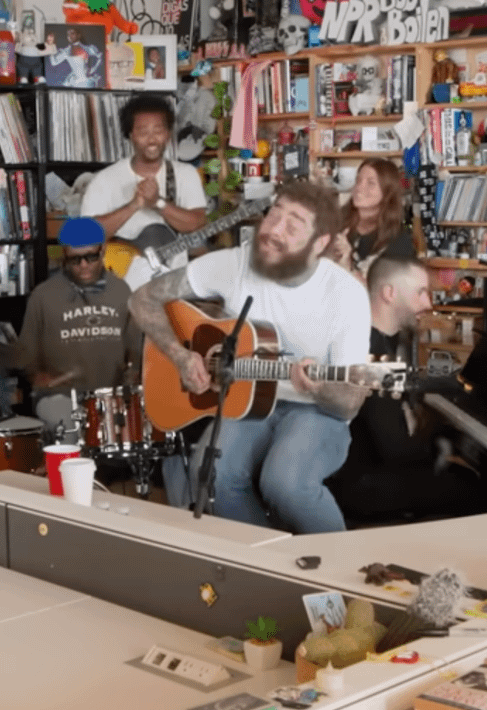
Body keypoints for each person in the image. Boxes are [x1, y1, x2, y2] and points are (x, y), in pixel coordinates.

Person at [130, 179, 371, 533]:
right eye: (274, 214)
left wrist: (317, 387)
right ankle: (268, 559)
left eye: (293, 225)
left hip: (315, 410)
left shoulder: (345, 295)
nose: (274, 230)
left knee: (286, 483)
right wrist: (180, 357)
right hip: (249, 400)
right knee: (209, 475)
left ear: (319, 244)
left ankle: (340, 573)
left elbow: (350, 403)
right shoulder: (233, 264)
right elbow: (142, 299)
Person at [325, 255, 476, 520]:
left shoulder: (383, 339)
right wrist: (448, 445)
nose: (428, 304)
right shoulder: (369, 352)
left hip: (375, 470)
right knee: (479, 489)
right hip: (363, 485)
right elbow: (394, 449)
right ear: (389, 293)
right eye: (421, 293)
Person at [17, 217, 135, 441]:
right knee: (71, 425)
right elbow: (25, 356)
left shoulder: (121, 291)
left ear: (103, 250)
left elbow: (135, 352)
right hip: (59, 395)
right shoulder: (43, 296)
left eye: (91, 257)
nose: (83, 266)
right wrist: (38, 375)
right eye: (75, 259)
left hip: (110, 395)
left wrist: (128, 388)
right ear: (63, 255)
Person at [81, 95, 208, 289]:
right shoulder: (105, 180)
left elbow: (197, 223)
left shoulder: (185, 174)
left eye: (158, 130)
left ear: (167, 133)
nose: (151, 139)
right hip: (118, 285)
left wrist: (158, 203)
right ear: (130, 135)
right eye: (142, 132)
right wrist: (135, 205)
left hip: (171, 285)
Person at [325, 159, 415, 282]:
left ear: (387, 192)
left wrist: (347, 265)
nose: (359, 187)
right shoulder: (336, 224)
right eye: (358, 180)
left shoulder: (398, 239)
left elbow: (387, 293)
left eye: (371, 183)